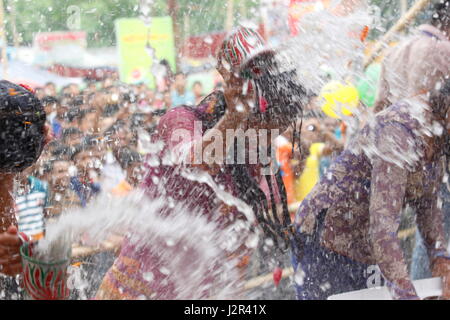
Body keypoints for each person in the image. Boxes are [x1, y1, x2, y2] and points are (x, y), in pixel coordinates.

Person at [96, 26, 309, 300]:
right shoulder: (181, 121)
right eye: (264, 128)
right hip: (140, 289)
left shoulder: (251, 157)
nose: (267, 139)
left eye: (275, 132)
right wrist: (235, 115)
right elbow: (194, 166)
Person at [292, 79, 450, 300]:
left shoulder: (439, 133)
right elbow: (383, 227)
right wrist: (406, 295)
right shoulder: (399, 131)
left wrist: (440, 258)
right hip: (325, 238)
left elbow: (428, 203)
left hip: (367, 245)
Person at [373, 0, 450, 114]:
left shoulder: (393, 51)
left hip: (396, 127)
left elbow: (380, 106)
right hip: (428, 127)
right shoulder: (443, 49)